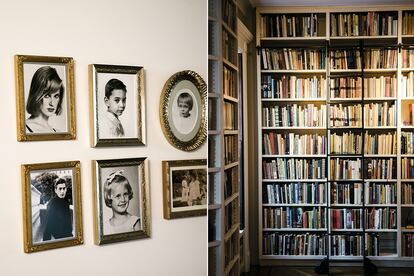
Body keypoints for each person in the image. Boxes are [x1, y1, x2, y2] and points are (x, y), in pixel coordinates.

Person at [25, 66, 65, 133]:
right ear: (36, 95)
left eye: (56, 96)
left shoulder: (57, 132)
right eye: (47, 96)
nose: (52, 103)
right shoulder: (24, 129)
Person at [103, 170, 140, 235]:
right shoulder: (105, 226)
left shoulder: (134, 222)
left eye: (125, 194)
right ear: (109, 197)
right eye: (118, 196)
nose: (123, 199)